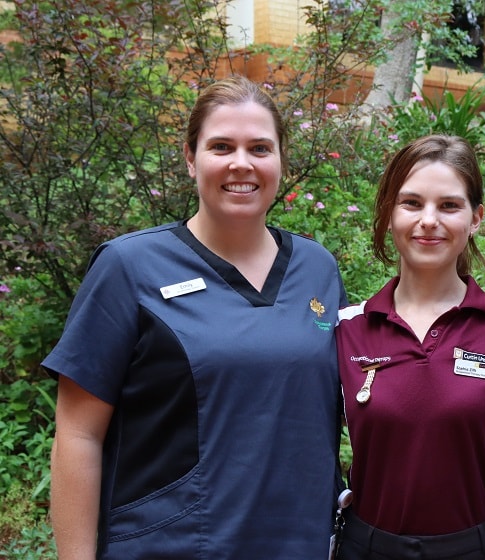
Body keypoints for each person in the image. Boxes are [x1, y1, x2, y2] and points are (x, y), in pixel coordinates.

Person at [44, 76, 347, 559]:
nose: (241, 163)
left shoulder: (318, 270)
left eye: (260, 148)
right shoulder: (130, 268)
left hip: (299, 541)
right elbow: (78, 436)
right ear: (191, 158)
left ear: (281, 161)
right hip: (172, 545)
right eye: (221, 146)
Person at [334, 134, 485, 559]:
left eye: (448, 206)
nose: (428, 220)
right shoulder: (347, 330)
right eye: (411, 203)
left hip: (476, 548)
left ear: (476, 218)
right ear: (389, 214)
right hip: (367, 547)